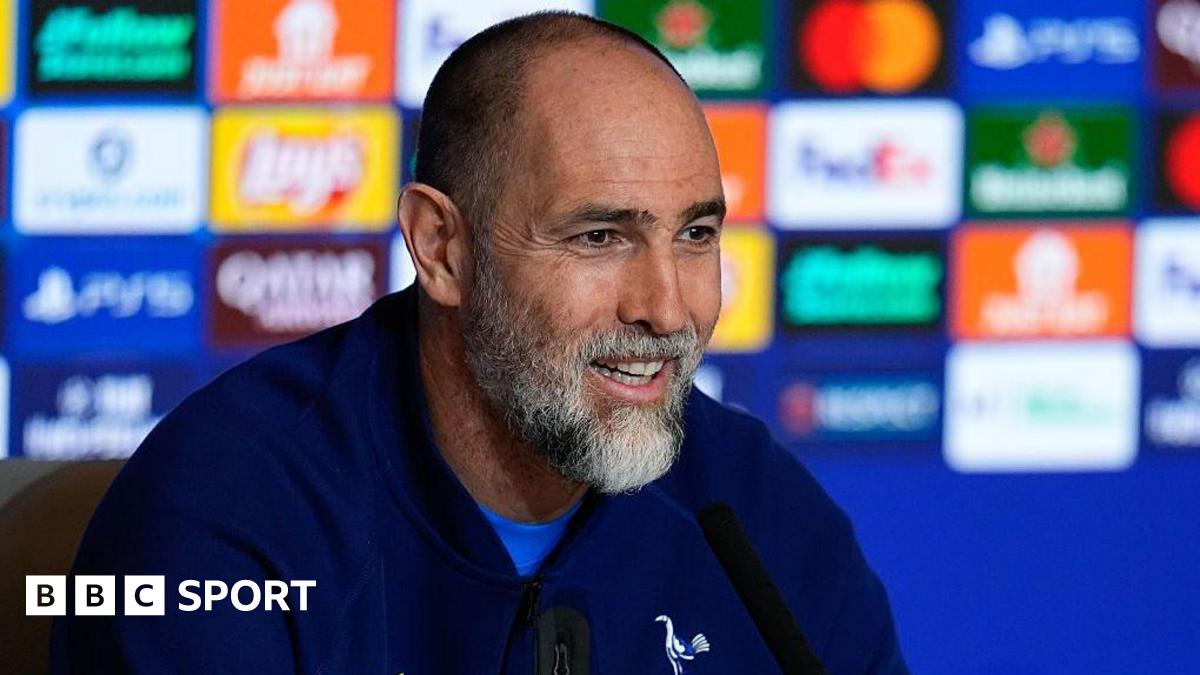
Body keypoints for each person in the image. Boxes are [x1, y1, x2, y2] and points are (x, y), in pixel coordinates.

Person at [52, 12, 907, 674]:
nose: (666, 306)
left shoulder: (753, 510)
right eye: (599, 237)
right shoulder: (228, 512)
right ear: (442, 248)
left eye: (695, 235)